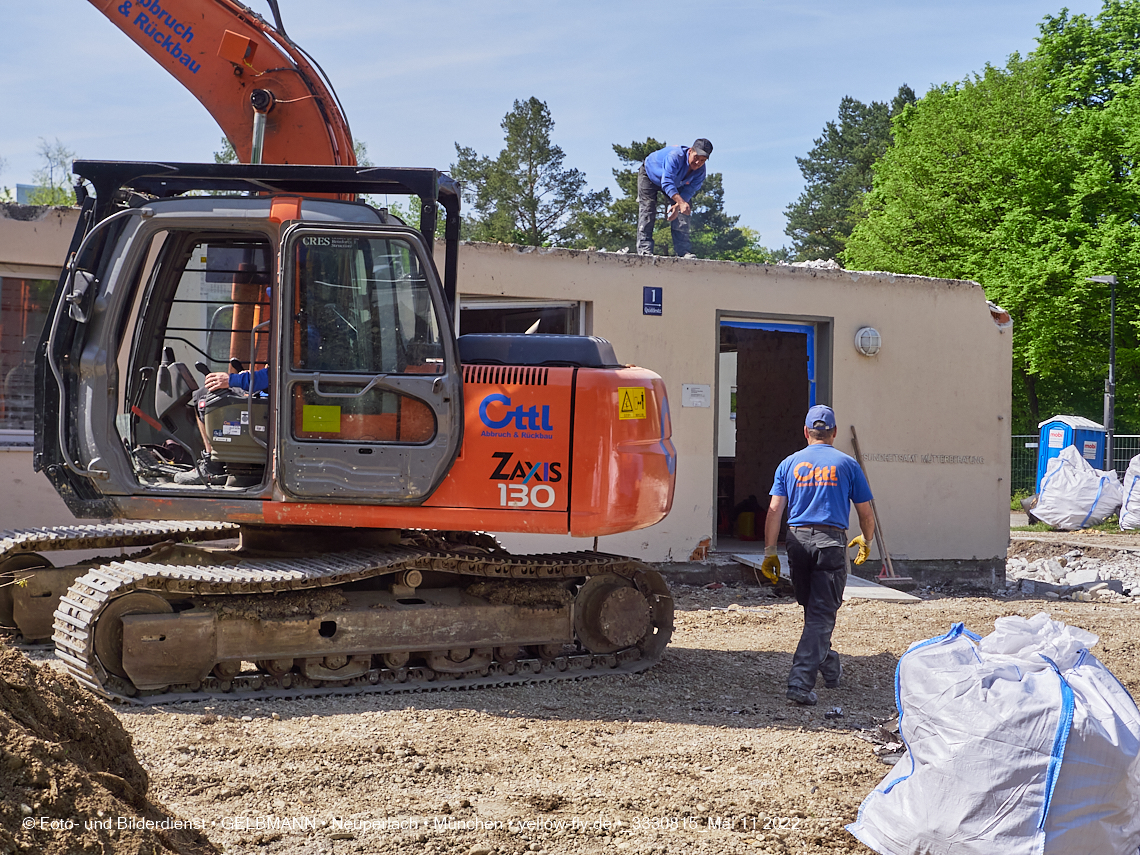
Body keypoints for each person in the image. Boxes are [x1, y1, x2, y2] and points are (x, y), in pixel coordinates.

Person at [761, 404, 875, 706]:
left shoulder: (789, 464)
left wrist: (770, 551)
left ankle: (829, 663)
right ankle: (799, 683)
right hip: (830, 544)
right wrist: (867, 539)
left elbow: (774, 510)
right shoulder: (847, 465)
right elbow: (865, 511)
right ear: (834, 433)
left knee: (814, 611)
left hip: (797, 543)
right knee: (821, 615)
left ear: (805, 432)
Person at [637, 138, 712, 257]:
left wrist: (678, 206)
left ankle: (683, 251)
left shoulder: (700, 171)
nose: (698, 163)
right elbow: (666, 182)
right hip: (650, 174)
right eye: (696, 157)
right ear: (690, 152)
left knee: (685, 209)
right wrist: (681, 203)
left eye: (702, 160)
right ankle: (644, 249)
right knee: (648, 208)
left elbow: (689, 191)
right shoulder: (675, 156)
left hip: (677, 182)